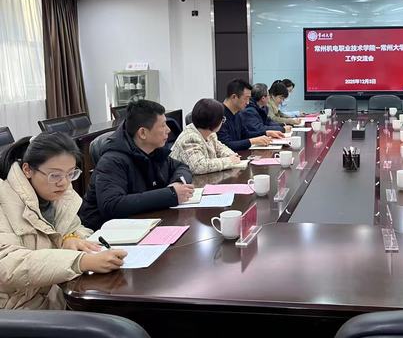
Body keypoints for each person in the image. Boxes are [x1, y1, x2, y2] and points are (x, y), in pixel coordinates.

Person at [0, 133, 127, 310]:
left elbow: (76, 227)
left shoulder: (59, 196)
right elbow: (8, 265)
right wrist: (79, 261)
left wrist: (70, 238)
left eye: (70, 174)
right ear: (27, 170)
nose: (64, 183)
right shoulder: (4, 200)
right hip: (16, 310)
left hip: (55, 295)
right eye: (55, 175)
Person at [79, 100, 194, 231]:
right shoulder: (112, 160)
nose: (168, 130)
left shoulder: (153, 150)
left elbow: (181, 167)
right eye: (163, 126)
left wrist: (177, 183)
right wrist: (170, 195)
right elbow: (112, 205)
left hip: (141, 223)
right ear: (142, 133)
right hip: (106, 233)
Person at [170, 98, 241, 174]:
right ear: (214, 121)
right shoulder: (190, 138)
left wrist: (232, 155)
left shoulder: (210, 134)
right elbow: (199, 166)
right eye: (222, 119)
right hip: (185, 180)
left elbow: (220, 148)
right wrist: (229, 161)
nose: (222, 122)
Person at [217, 79, 273, 152]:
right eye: (246, 98)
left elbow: (245, 135)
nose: (248, 102)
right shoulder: (218, 115)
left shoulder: (238, 114)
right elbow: (225, 145)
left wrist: (266, 133)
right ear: (234, 97)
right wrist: (252, 141)